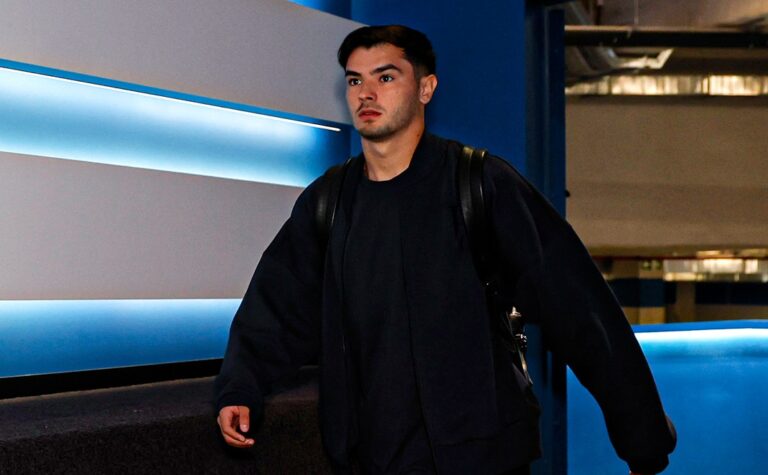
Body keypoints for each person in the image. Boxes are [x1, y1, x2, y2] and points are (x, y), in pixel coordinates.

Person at [215, 25, 676, 475]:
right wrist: (240, 387)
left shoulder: (480, 184)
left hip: (481, 458)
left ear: (426, 88)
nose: (366, 93)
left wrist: (643, 437)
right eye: (355, 80)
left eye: (386, 77)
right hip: (368, 458)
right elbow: (275, 308)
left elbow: (579, 308)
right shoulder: (328, 202)